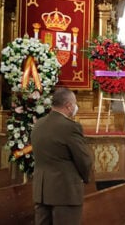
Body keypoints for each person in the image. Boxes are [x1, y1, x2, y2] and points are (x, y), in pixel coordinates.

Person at [31, 87, 93, 225]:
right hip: (65, 191)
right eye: (75, 104)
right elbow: (83, 159)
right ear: (69, 106)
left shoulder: (38, 124)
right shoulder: (70, 127)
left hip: (41, 191)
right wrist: (86, 178)